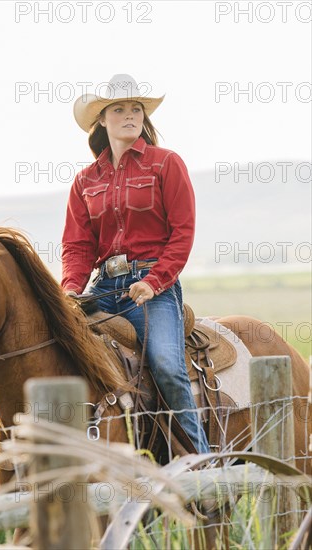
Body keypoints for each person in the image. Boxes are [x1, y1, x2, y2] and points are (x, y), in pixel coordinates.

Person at [61, 74, 210, 454]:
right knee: (58, 345)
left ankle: (206, 464)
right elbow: (77, 246)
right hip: (103, 288)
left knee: (166, 365)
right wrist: (70, 289)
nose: (129, 115)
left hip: (151, 285)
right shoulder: (85, 181)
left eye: (136, 109)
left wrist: (155, 280)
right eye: (119, 109)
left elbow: (183, 233)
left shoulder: (166, 164)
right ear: (102, 121)